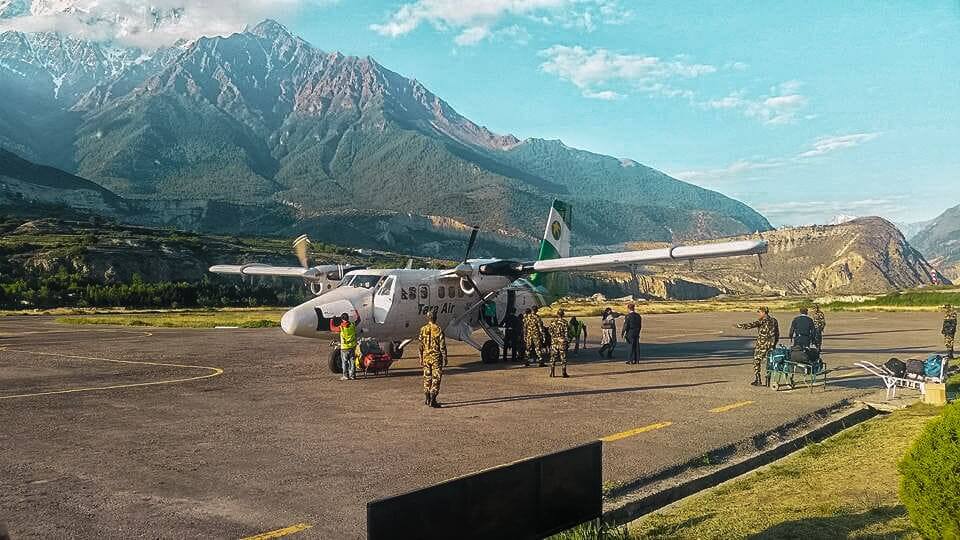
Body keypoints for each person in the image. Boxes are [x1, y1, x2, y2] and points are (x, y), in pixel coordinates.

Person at [736, 307, 780, 386]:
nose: (758, 314)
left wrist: (739, 326)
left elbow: (751, 325)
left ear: (763, 312)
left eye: (759, 312)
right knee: (769, 362)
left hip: (762, 345)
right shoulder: (774, 320)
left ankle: (758, 379)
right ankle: (768, 380)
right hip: (771, 345)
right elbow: (777, 333)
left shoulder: (762, 320)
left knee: (756, 361)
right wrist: (774, 343)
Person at [419, 310, 448, 408]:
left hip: (426, 357)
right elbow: (442, 346)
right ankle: (433, 399)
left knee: (427, 377)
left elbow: (420, 345)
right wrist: (445, 357)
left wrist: (421, 357)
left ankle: (427, 398)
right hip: (436, 357)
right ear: (435, 318)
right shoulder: (438, 329)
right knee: (436, 378)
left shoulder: (423, 329)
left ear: (428, 318)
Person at [330, 312, 359, 380]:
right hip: (352, 346)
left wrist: (331, 320)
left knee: (344, 362)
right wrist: (356, 312)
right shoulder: (352, 325)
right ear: (348, 318)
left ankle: (345, 376)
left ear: (342, 319)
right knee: (352, 362)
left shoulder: (341, 327)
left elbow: (332, 328)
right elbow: (358, 320)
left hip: (345, 348)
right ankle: (352, 375)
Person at [549, 309, 570, 377]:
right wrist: (567, 341)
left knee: (553, 357)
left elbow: (550, 331)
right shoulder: (565, 322)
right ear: (563, 314)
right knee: (563, 357)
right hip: (562, 341)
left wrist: (554, 337)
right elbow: (567, 333)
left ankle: (552, 372)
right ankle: (564, 373)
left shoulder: (553, 322)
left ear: (557, 314)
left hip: (554, 341)